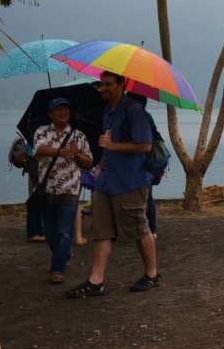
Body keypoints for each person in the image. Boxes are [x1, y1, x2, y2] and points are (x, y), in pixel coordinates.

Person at [66, 71, 157, 298]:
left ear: (121, 85)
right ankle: (95, 281)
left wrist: (114, 146)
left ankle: (152, 275)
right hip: (106, 181)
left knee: (139, 228)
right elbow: (108, 145)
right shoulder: (108, 111)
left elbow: (145, 145)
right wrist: (100, 165)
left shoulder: (134, 110)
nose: (103, 88)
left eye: (108, 84)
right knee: (101, 231)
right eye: (101, 84)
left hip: (130, 182)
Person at [33, 98, 93, 284]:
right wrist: (59, 151)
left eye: (66, 109)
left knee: (64, 231)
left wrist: (77, 153)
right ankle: (63, 254)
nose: (62, 112)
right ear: (50, 114)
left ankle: (57, 269)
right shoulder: (42, 131)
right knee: (50, 232)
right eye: (58, 109)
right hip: (47, 188)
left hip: (71, 188)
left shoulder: (79, 136)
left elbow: (89, 162)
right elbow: (38, 149)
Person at [127, 91, 157, 239]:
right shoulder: (147, 116)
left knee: (147, 197)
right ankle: (153, 229)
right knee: (148, 196)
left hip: (144, 162)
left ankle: (151, 229)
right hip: (147, 163)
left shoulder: (139, 116)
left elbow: (145, 144)